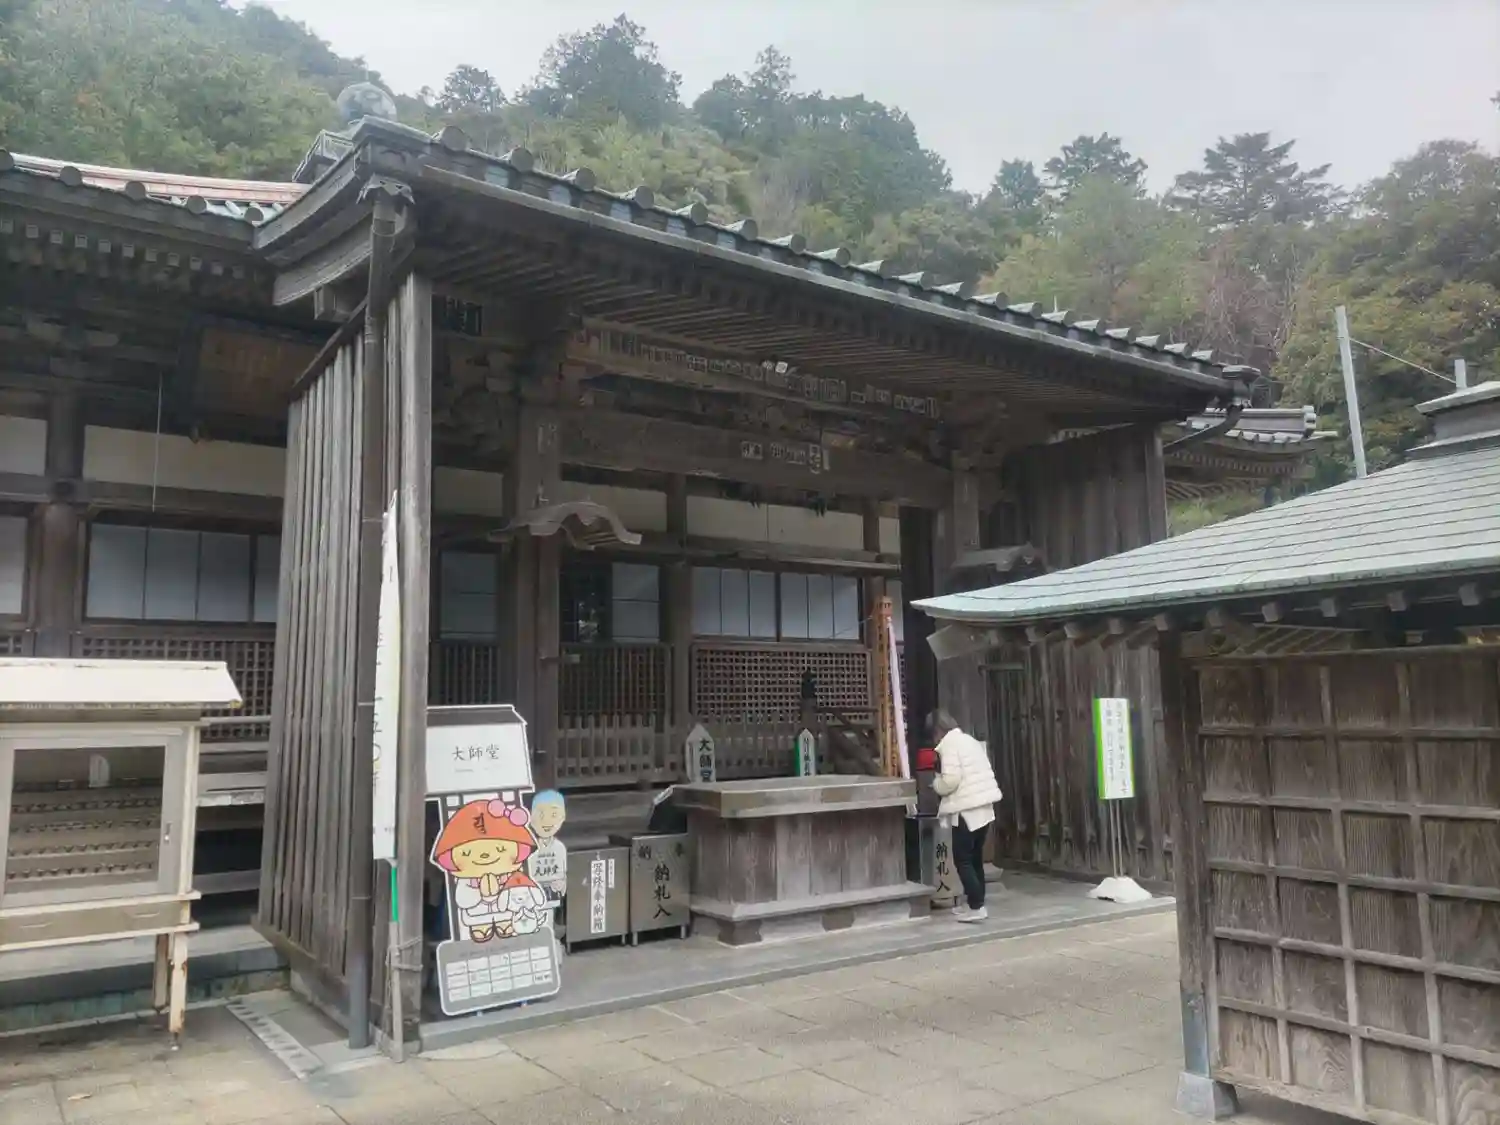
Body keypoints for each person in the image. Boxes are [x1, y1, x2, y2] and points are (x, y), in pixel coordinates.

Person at [928, 709, 1002, 922]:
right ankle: (976, 902)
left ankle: (976, 907)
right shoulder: (969, 741)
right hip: (984, 807)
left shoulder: (949, 745)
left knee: (963, 860)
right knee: (975, 858)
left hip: (966, 810)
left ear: (937, 731)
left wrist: (936, 784)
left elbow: (951, 781)